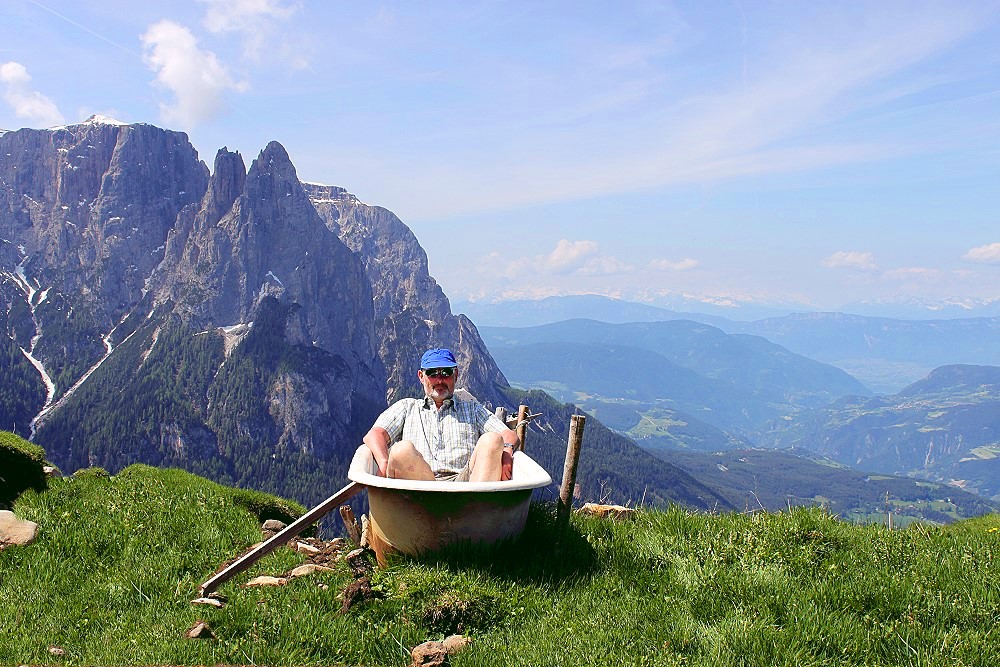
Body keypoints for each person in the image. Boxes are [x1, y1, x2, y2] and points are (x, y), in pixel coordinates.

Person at [363, 348, 518, 482]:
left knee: (493, 439)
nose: (439, 380)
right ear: (421, 376)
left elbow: (507, 434)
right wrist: (383, 463)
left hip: (466, 487)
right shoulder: (406, 407)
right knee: (401, 450)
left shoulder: (472, 409)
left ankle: (474, 511)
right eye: (432, 373)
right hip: (419, 486)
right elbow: (375, 435)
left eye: (446, 373)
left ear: (455, 375)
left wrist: (507, 451)